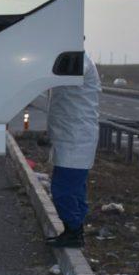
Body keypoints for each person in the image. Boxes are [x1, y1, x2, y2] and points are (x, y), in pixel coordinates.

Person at [46, 53, 101, 248]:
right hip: (70, 137)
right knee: (75, 191)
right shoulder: (70, 59)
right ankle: (73, 232)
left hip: (77, 138)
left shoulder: (78, 60)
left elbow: (57, 73)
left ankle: (74, 231)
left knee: (64, 191)